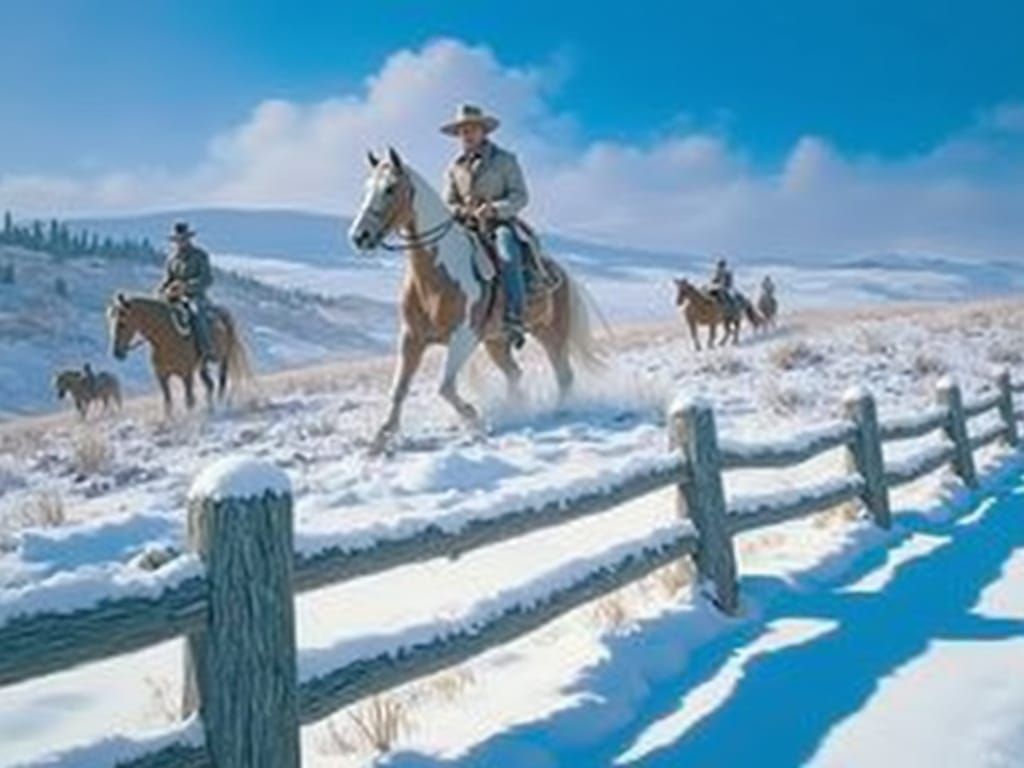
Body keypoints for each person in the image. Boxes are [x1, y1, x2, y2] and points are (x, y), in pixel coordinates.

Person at [441, 104, 530, 349]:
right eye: (462, 130)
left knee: (507, 254)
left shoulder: (505, 161)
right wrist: (462, 211)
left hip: (498, 224)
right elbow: (448, 203)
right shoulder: (454, 167)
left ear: (483, 131)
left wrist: (494, 210)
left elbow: (520, 196)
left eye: (471, 129)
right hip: (466, 227)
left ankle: (515, 317)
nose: (466, 135)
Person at [158, 221, 214, 361]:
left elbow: (206, 279)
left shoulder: (200, 256)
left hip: (195, 296)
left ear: (189, 239)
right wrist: (163, 290)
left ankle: (206, 349)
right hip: (174, 297)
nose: (180, 242)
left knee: (196, 313)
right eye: (178, 240)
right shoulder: (172, 260)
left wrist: (186, 287)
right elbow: (167, 279)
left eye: (183, 239)